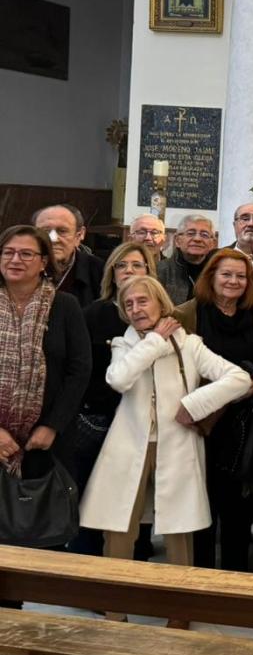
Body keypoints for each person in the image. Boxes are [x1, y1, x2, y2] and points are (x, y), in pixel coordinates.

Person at [80, 276, 250, 567]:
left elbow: (239, 378)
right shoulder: (124, 343)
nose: (135, 309)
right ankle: (115, 609)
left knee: (179, 530)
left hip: (178, 442)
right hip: (129, 444)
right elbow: (118, 379)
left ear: (161, 303)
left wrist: (194, 404)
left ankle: (179, 609)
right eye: (128, 304)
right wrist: (157, 341)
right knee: (119, 526)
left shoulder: (190, 345)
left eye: (142, 301)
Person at [173, 248, 253, 571]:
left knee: (239, 514)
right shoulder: (186, 315)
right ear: (211, 276)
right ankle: (199, 586)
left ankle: (233, 585)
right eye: (226, 274)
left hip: (244, 427)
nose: (233, 281)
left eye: (241, 276)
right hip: (199, 426)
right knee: (200, 511)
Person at [65, 242, 159, 554]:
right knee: (94, 497)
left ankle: (136, 564)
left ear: (149, 272)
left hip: (143, 424)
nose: (129, 271)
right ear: (111, 273)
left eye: (137, 265)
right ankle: (88, 569)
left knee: (137, 500)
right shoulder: (93, 313)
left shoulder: (162, 320)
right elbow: (79, 369)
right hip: (100, 421)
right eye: (122, 266)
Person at [0, 225, 91, 508]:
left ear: (43, 262)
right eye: (9, 252)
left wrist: (52, 426)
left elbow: (80, 370)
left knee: (41, 534)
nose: (16, 260)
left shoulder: (65, 305)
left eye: (27, 254)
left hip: (45, 441)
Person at [33, 204, 105, 307]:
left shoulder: (100, 271)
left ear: (79, 235)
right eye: (45, 231)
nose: (53, 239)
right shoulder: (18, 266)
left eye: (62, 231)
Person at [157, 215, 218, 306]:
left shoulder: (218, 271)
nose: (197, 239)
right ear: (177, 241)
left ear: (212, 244)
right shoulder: (160, 270)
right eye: (191, 233)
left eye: (204, 235)